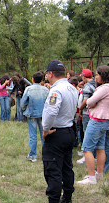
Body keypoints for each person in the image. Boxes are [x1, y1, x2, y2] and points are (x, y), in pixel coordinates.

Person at [41, 60, 78, 203]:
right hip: (69, 130)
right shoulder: (71, 88)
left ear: (50, 74)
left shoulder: (56, 90)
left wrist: (45, 129)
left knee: (53, 169)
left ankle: (54, 199)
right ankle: (67, 197)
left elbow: (51, 112)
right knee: (67, 167)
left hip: (57, 133)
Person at [77, 66, 109, 185]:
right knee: (100, 147)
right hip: (105, 120)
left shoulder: (103, 88)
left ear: (103, 76)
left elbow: (89, 101)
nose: (95, 77)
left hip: (97, 121)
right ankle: (99, 174)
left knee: (87, 148)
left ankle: (91, 177)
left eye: (97, 75)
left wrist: (91, 103)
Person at [21, 71, 49, 162]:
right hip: (43, 115)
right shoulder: (46, 90)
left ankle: (33, 155)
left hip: (31, 114)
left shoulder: (29, 89)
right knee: (43, 134)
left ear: (33, 79)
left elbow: (23, 102)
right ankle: (45, 155)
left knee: (33, 135)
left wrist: (25, 110)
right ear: (42, 80)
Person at [77, 69, 96, 164]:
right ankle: (93, 154)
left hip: (87, 112)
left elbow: (85, 100)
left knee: (87, 134)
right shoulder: (95, 83)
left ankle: (87, 155)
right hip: (94, 113)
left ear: (84, 77)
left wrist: (80, 108)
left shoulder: (88, 86)